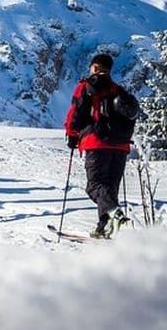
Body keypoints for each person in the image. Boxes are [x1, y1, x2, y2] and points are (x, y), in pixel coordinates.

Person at [65, 53, 133, 239]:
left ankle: (114, 213)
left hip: (97, 144)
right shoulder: (118, 90)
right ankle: (104, 228)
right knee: (109, 189)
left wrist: (72, 135)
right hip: (120, 147)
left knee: (95, 186)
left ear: (94, 68)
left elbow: (75, 113)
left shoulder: (87, 86)